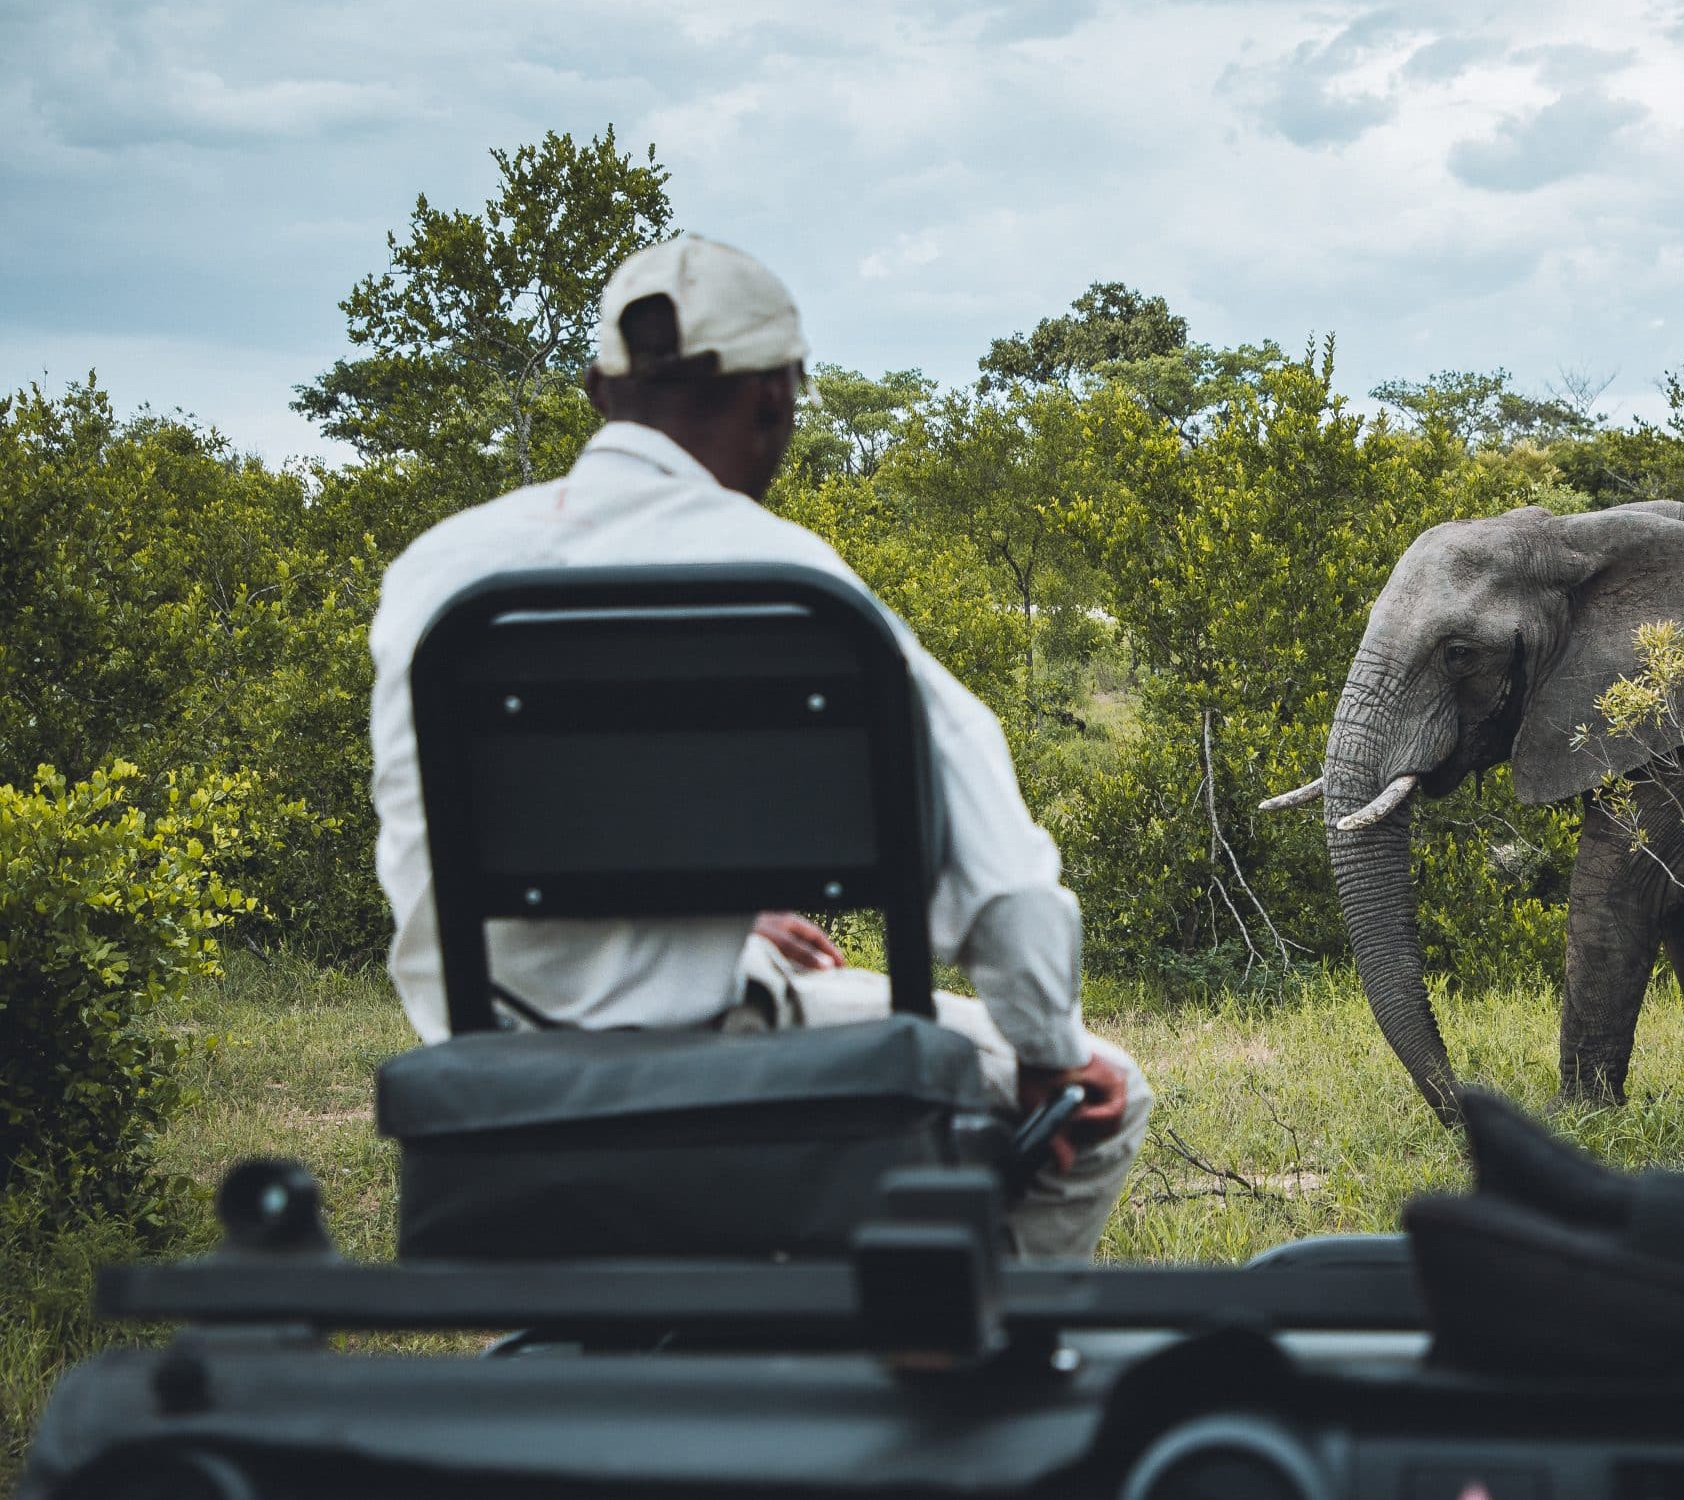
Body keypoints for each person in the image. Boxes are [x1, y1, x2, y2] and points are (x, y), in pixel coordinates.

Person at [366, 233, 1150, 1260]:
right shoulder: (786, 580)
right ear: (777, 397)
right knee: (1112, 1092)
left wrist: (704, 919)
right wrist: (1047, 1055)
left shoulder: (442, 571)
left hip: (491, 1073)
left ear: (600, 394)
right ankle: (959, 1371)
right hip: (709, 1062)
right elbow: (1001, 883)